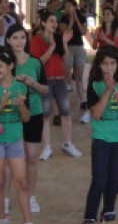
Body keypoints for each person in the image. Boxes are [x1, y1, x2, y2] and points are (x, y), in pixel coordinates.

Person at [0, 46, 35, 224]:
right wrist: (1, 104)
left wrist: (21, 105)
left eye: (0, 66)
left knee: (21, 181)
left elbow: (27, 118)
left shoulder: (22, 87)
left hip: (15, 138)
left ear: (11, 66)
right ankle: (2, 221)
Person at [82, 46, 118, 224]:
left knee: (114, 179)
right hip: (101, 139)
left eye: (112, 63)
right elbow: (96, 114)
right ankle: (90, 215)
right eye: (105, 64)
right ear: (99, 66)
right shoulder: (94, 86)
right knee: (99, 179)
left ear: (117, 65)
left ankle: (109, 211)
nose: (109, 68)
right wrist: (107, 90)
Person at [4, 24, 49, 215]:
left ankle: (31, 196)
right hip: (11, 114)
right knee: (10, 159)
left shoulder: (35, 62)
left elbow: (45, 90)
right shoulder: (4, 62)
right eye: (15, 37)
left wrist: (33, 83)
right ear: (8, 41)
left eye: (22, 37)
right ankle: (5, 198)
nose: (19, 41)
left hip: (34, 112)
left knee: (31, 157)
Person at [30, 10, 80, 159]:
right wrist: (51, 47)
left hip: (59, 80)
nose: (54, 24)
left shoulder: (58, 37)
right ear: (43, 23)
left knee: (65, 113)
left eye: (55, 21)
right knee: (45, 115)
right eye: (51, 21)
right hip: (45, 81)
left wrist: (63, 43)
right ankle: (47, 147)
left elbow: (65, 58)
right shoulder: (36, 40)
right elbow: (38, 63)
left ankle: (68, 144)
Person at [59, 0, 88, 116]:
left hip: (79, 47)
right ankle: (65, 101)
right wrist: (70, 21)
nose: (67, 8)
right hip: (68, 48)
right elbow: (64, 33)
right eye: (66, 6)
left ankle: (82, 100)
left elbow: (84, 32)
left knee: (79, 76)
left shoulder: (82, 18)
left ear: (75, 7)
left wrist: (76, 19)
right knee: (66, 74)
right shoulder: (63, 18)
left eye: (69, 6)